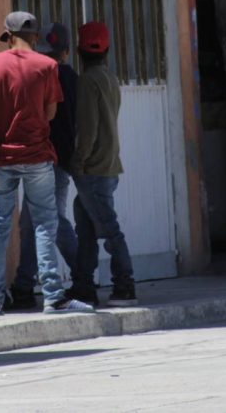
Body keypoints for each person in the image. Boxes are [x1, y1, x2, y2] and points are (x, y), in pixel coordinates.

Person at [0, 11, 94, 317]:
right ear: (36, 37)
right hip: (37, 157)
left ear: (8, 37)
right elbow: (51, 112)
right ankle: (52, 295)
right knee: (45, 225)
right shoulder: (48, 66)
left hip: (1, 158)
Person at [9, 22, 80, 309]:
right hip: (57, 160)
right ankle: (27, 283)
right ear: (66, 51)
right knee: (41, 219)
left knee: (43, 220)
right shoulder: (70, 77)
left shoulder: (43, 75)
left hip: (47, 159)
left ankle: (29, 283)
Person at [69, 21, 137, 307]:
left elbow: (88, 129)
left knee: (108, 228)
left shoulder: (86, 81)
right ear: (107, 49)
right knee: (85, 227)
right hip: (108, 166)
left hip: (93, 169)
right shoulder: (110, 78)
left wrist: (78, 161)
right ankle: (83, 286)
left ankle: (124, 284)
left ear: (78, 50)